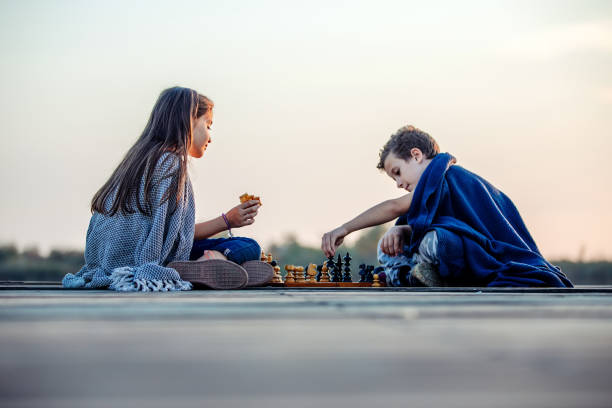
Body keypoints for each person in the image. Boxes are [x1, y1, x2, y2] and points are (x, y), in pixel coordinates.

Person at [63, 86, 273, 291]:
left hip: (111, 260)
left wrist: (228, 220)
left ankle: (224, 270)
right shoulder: (171, 165)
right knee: (247, 246)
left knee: (242, 249)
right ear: (189, 120)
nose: (210, 136)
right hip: (154, 261)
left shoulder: (133, 164)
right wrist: (227, 221)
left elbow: (166, 232)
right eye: (208, 125)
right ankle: (207, 265)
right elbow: (177, 239)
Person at [321, 125, 572, 288]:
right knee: (388, 244)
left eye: (397, 172)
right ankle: (413, 275)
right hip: (457, 248)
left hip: (482, 253)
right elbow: (440, 220)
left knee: (437, 240)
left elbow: (395, 207)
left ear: (417, 155)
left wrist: (345, 229)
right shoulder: (434, 184)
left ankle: (416, 274)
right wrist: (404, 230)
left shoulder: (449, 176)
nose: (398, 183)